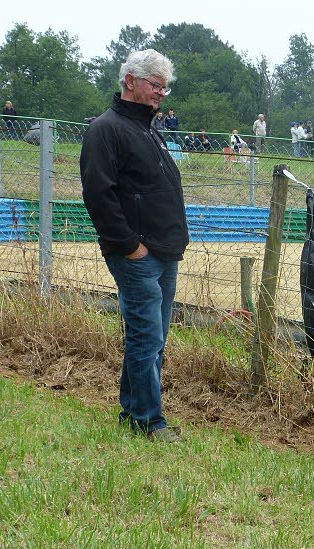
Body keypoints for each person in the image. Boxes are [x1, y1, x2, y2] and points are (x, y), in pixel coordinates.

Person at [79, 49, 189, 443]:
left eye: (164, 86)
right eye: (155, 85)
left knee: (151, 337)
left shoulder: (148, 130)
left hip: (162, 251)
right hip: (137, 254)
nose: (161, 93)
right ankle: (149, 420)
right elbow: (98, 194)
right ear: (130, 81)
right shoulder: (106, 129)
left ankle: (133, 412)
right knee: (148, 336)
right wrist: (129, 246)